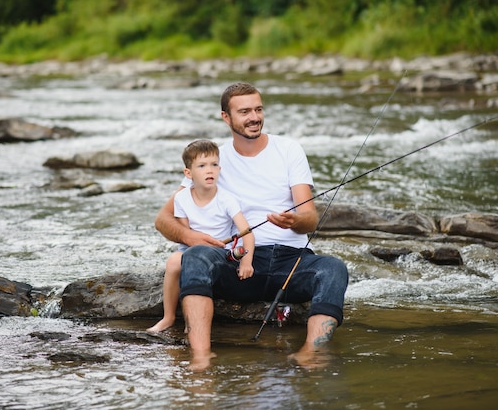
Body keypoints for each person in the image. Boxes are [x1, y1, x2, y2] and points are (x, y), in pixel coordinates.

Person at [155, 82, 348, 369]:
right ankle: (201, 356)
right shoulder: (212, 161)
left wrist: (295, 221)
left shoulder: (289, 150)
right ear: (226, 117)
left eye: (258, 109)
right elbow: (163, 219)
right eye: (244, 111)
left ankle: (311, 352)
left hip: (290, 263)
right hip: (238, 262)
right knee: (194, 256)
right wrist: (190, 235)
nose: (254, 117)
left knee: (333, 268)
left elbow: (309, 218)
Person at [148, 139, 255, 333]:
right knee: (174, 261)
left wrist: (246, 262)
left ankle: (193, 323)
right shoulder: (181, 198)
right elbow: (185, 234)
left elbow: (247, 233)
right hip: (191, 252)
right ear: (188, 173)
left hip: (220, 254)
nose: (210, 170)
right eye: (202, 166)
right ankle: (169, 317)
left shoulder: (227, 199)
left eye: (214, 165)